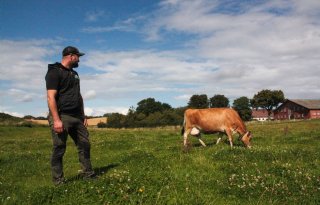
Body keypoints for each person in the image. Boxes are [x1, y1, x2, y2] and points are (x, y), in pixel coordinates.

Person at [45, 46, 95, 185]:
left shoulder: (75, 74)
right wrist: (56, 119)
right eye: (78, 56)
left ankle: (88, 174)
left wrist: (83, 115)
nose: (79, 59)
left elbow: (79, 96)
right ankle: (58, 181)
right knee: (59, 148)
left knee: (85, 144)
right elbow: (50, 97)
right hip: (62, 116)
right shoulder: (54, 72)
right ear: (71, 56)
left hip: (77, 116)